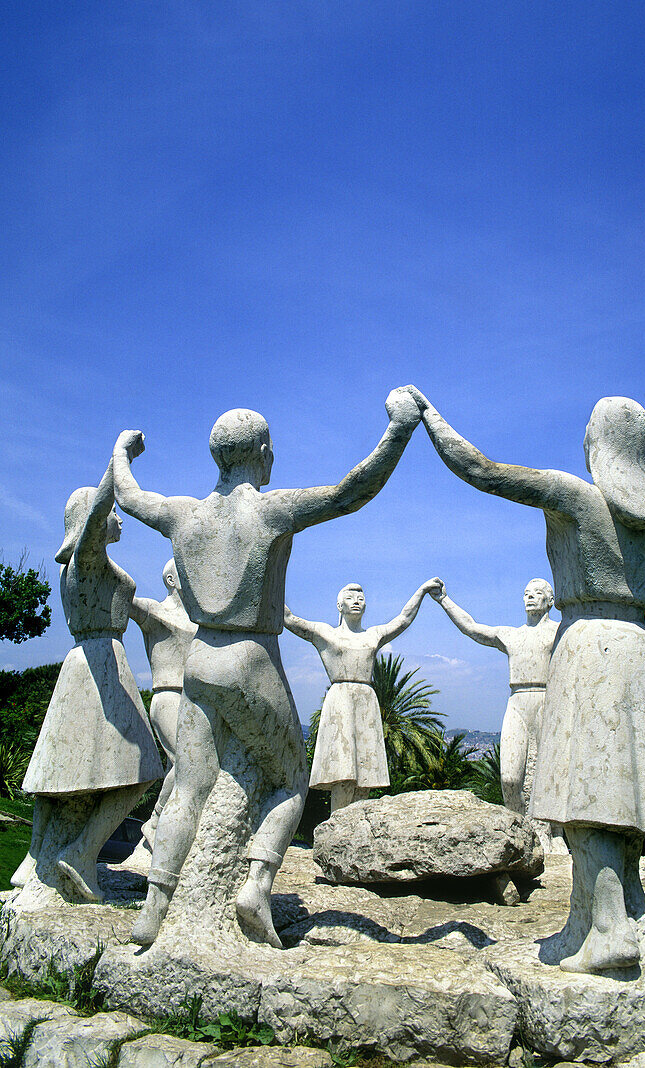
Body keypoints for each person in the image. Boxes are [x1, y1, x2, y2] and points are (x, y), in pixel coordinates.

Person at [402, 385, 645, 973]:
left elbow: (481, 469)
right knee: (623, 794)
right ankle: (615, 911)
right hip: (641, 652)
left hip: (587, 648)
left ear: (596, 444)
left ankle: (605, 929)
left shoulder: (573, 495)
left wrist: (428, 417)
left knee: (591, 794)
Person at [112, 392, 421, 948]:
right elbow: (352, 491)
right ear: (260, 451)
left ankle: (154, 909)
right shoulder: (271, 509)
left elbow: (130, 496)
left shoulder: (184, 515)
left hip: (198, 661)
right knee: (289, 779)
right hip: (251, 659)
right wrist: (399, 429)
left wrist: (120, 451)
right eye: (270, 448)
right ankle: (256, 883)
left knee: (187, 786)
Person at [12, 462, 161, 902]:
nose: (119, 520)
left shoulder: (83, 567)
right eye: (114, 513)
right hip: (101, 664)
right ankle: (82, 852)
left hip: (85, 664)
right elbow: (98, 517)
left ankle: (34, 855)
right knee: (144, 770)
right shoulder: (87, 561)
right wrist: (119, 464)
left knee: (59, 771)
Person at [284, 577, 442, 813]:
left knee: (365, 777)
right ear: (340, 606)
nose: (356, 601)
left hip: (366, 701)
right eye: (349, 598)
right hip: (340, 700)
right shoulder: (325, 633)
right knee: (343, 776)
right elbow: (288, 618)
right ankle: (337, 829)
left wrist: (421, 591)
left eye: (360, 598)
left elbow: (403, 619)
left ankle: (357, 832)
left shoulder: (373, 635)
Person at [430, 579, 561, 846]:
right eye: (526, 593)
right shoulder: (511, 635)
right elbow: (472, 628)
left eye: (537, 593)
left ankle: (551, 834)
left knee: (547, 774)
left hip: (548, 700)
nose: (530, 597)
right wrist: (444, 600)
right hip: (517, 701)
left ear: (551, 600)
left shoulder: (560, 632)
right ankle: (521, 833)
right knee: (510, 778)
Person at [129, 558, 197, 852]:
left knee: (194, 765)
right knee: (185, 762)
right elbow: (121, 597)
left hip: (196, 700)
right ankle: (155, 822)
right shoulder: (154, 612)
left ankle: (176, 825)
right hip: (168, 695)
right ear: (171, 580)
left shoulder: (199, 620)